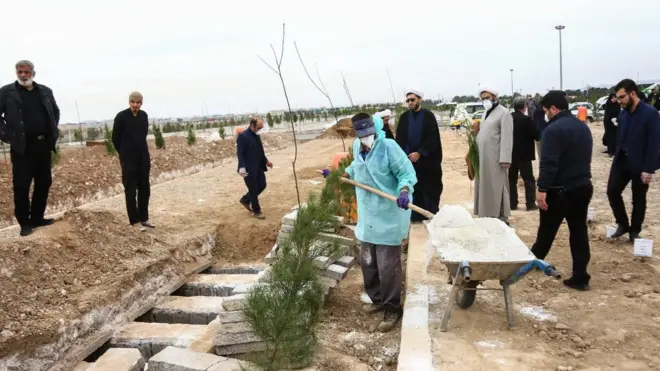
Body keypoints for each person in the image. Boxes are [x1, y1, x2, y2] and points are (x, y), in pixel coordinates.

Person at [323, 113, 416, 333]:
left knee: (387, 266)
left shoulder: (388, 147)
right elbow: (357, 166)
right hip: (368, 213)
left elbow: (406, 173)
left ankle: (392, 308)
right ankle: (377, 300)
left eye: (369, 133)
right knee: (368, 262)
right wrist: (339, 174)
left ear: (375, 129)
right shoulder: (357, 145)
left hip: (388, 213)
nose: (366, 138)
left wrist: (404, 190)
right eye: (361, 134)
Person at [531, 90, 593, 291]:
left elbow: (549, 163)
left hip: (559, 191)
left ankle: (531, 262)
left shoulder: (553, 130)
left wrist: (542, 189)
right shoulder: (583, 128)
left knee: (546, 231)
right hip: (583, 187)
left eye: (546, 111)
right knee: (579, 232)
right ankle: (581, 276)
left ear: (553, 108)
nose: (545, 114)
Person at [0, 60, 60, 237]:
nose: (23, 75)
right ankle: (25, 223)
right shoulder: (7, 92)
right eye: (20, 72)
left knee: (44, 182)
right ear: (16, 73)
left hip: (42, 145)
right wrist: (7, 135)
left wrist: (51, 131)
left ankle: (37, 217)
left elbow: (55, 112)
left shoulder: (45, 91)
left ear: (34, 73)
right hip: (22, 147)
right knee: (22, 185)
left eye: (26, 72)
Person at [607, 79, 660, 241]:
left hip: (641, 163)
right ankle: (622, 224)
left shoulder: (650, 114)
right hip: (622, 160)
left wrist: (649, 169)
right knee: (612, 191)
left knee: (638, 198)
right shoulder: (623, 113)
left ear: (633, 94)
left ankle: (634, 231)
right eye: (617, 98)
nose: (619, 101)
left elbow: (654, 143)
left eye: (621, 97)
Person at [395, 89, 443, 222]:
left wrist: (420, 153)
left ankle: (430, 213)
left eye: (413, 99)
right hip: (410, 161)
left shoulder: (429, 116)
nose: (410, 102)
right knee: (413, 189)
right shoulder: (404, 118)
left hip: (427, 163)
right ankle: (415, 216)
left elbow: (432, 138)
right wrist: (407, 155)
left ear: (420, 99)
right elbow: (400, 139)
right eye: (408, 100)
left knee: (430, 188)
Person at [112, 91, 155, 230]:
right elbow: (115, 138)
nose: (135, 105)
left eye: (138, 102)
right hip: (128, 159)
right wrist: (124, 153)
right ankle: (134, 221)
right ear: (129, 102)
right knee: (130, 190)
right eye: (133, 102)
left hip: (142, 157)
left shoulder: (143, 116)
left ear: (141, 103)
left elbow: (143, 135)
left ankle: (144, 218)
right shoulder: (121, 117)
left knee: (144, 189)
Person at [473, 88, 513, 223]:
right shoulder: (486, 113)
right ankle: (487, 214)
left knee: (497, 186)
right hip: (484, 157)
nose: (485, 100)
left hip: (496, 157)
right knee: (486, 186)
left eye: (487, 97)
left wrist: (505, 159)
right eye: (483, 98)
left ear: (495, 97)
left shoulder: (504, 113)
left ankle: (501, 216)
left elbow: (507, 137)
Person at [237, 117, 273, 219]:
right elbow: (240, 153)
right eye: (258, 127)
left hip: (258, 167)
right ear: (252, 125)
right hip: (247, 169)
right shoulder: (243, 136)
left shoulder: (256, 136)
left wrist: (266, 161)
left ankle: (245, 200)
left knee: (262, 185)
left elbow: (260, 152)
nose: (260, 129)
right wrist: (242, 167)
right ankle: (257, 211)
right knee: (253, 190)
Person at [509, 97, 538, 211]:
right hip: (525, 155)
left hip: (510, 154)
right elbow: (536, 135)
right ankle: (530, 203)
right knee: (529, 180)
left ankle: (512, 204)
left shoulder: (508, 118)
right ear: (524, 107)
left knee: (511, 180)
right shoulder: (527, 120)